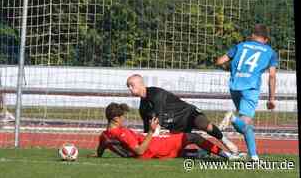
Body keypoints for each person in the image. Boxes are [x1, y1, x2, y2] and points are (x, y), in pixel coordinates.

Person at [126, 74, 240, 156]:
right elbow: (148, 129)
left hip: (187, 113)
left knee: (204, 124)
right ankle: (202, 152)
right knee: (174, 149)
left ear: (141, 84)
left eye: (131, 85)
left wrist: (155, 138)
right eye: (128, 86)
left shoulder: (156, 94)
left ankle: (225, 141)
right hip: (175, 125)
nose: (130, 88)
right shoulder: (142, 107)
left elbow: (158, 120)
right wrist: (145, 143)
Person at [88, 102, 239, 160]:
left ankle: (200, 154)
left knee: (180, 151)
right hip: (154, 147)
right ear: (115, 118)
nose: (123, 119)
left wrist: (95, 155)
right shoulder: (121, 133)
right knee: (193, 137)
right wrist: (151, 132)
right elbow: (139, 151)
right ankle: (227, 156)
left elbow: (101, 148)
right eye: (122, 117)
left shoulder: (104, 135)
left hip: (154, 150)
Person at [216, 24, 278, 161]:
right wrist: (271, 99)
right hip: (250, 88)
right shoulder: (270, 52)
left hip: (234, 86)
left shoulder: (240, 46)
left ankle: (254, 157)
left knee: (246, 124)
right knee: (243, 123)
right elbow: (272, 76)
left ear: (252, 36)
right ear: (266, 39)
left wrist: (231, 69)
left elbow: (220, 61)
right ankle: (231, 118)